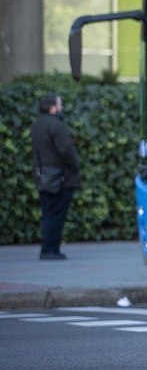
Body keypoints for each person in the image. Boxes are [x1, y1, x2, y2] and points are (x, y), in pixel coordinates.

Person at [31, 93, 81, 260]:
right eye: (59, 104)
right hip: (60, 178)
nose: (61, 108)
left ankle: (47, 248)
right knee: (57, 215)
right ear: (52, 107)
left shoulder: (37, 124)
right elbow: (66, 150)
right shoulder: (56, 125)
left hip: (43, 176)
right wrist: (75, 167)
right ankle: (51, 250)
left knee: (48, 214)